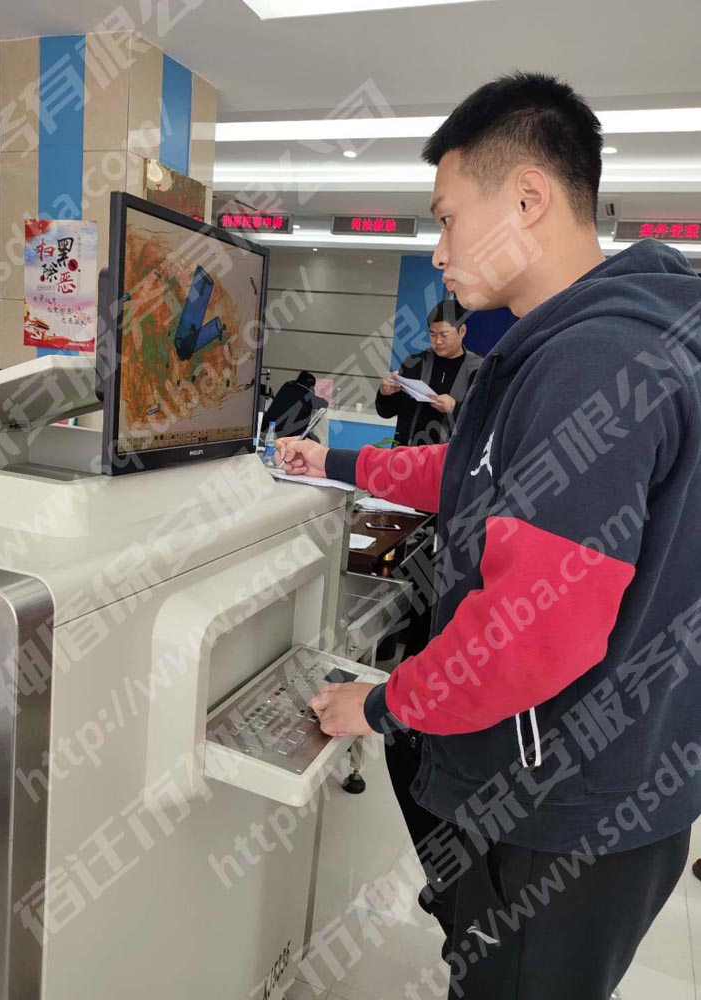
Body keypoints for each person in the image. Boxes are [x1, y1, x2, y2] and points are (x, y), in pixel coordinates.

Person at [276, 71, 701, 1000]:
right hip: (616, 784)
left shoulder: (595, 358)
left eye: (447, 219)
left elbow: (531, 634)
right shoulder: (615, 337)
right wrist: (338, 463)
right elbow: (478, 474)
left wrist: (379, 706)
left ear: (527, 198)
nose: (439, 252)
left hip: (560, 808)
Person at [376, 297, 482, 446]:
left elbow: (483, 420)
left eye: (444, 335)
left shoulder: (478, 370)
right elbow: (386, 412)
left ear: (462, 331)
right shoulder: (414, 364)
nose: (437, 341)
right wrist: (384, 394)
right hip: (407, 453)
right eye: (432, 334)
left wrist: (455, 408)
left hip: (448, 456)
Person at [263, 370, 327, 439]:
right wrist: (312, 392)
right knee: (316, 441)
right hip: (290, 435)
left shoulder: (286, 386)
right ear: (311, 387)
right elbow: (324, 404)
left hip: (267, 428)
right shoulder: (309, 396)